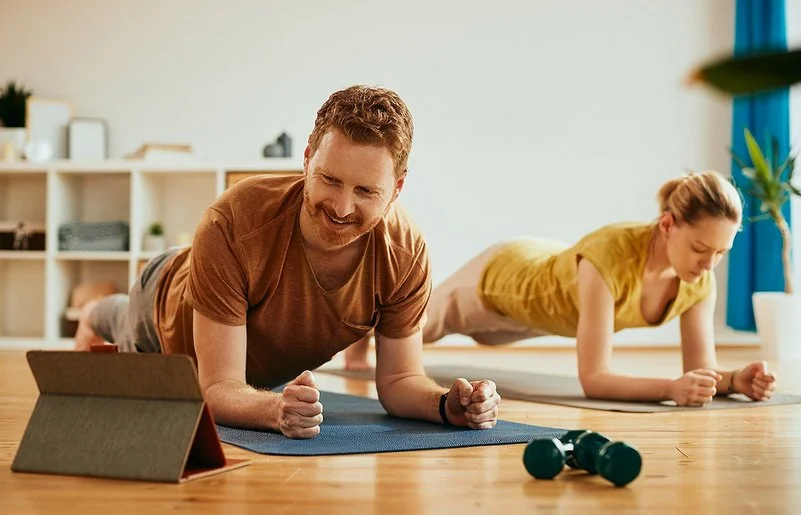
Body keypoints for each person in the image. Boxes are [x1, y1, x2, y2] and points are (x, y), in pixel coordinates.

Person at [75, 85, 501, 438]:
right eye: (329, 179)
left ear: (397, 189)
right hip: (164, 309)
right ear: (308, 158)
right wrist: (274, 409)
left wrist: (446, 405)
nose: (342, 207)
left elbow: (398, 381)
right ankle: (94, 310)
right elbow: (218, 386)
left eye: (366, 191)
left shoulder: (404, 254)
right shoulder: (231, 221)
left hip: (251, 354)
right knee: (122, 335)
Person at [418, 170, 777, 407]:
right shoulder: (609, 256)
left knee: (478, 337)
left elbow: (701, 369)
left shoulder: (699, 280)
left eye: (721, 252)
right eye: (700, 248)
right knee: (410, 328)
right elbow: (595, 379)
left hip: (542, 310)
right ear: (667, 225)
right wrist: (670, 389)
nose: (709, 264)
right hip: (505, 277)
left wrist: (735, 381)